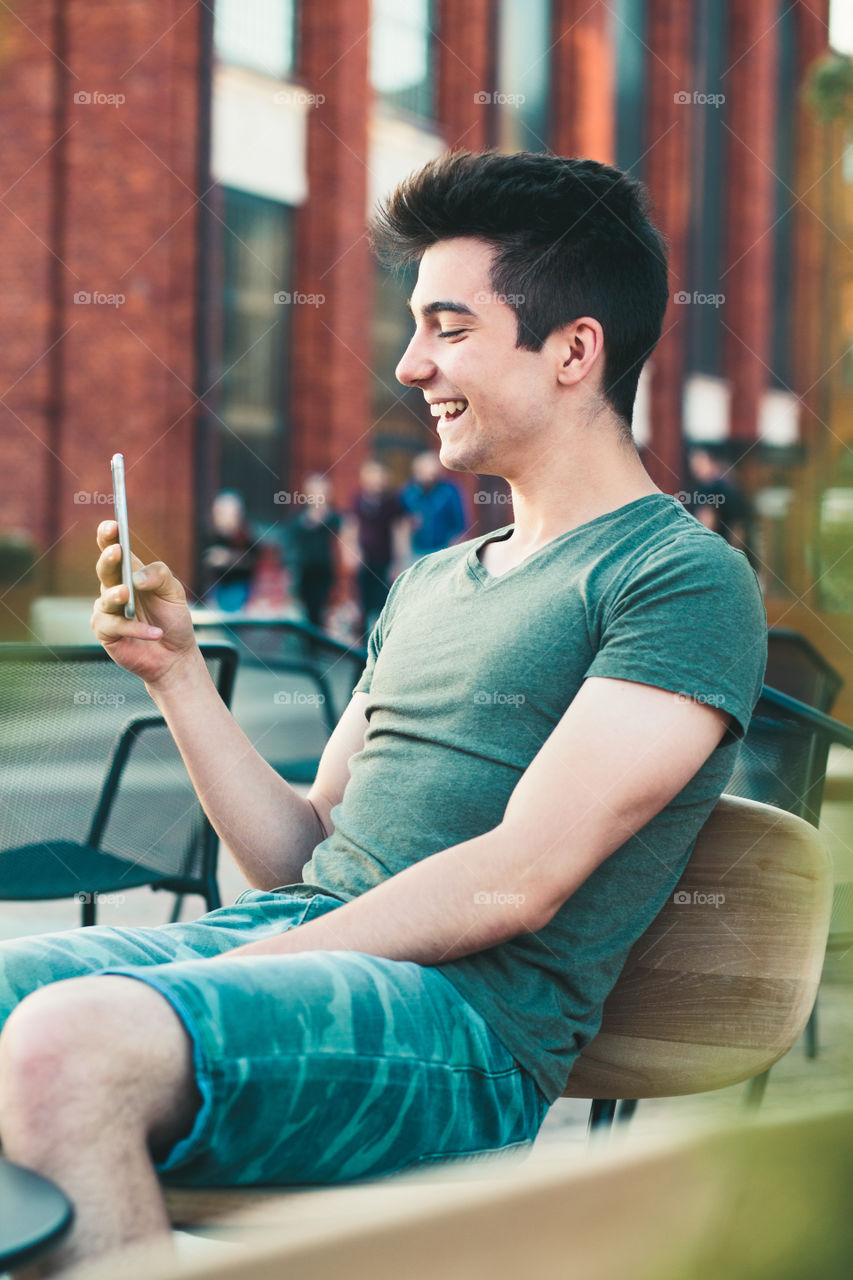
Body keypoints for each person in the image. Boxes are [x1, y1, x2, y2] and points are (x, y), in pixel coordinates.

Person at [0, 151, 767, 1275]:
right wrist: (178, 677)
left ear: (572, 349)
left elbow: (519, 873)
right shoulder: (433, 579)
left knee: (69, 1046)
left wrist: (243, 968)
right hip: (299, 955)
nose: (410, 365)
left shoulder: (678, 578)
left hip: (465, 1031)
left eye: (447, 327)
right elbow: (297, 857)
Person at [344, 459, 407, 639]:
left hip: (384, 559)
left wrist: (398, 561)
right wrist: (351, 550)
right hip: (363, 560)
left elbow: (399, 532)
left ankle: (378, 640)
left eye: (380, 476)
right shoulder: (357, 499)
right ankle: (362, 647)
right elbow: (351, 527)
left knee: (382, 603)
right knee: (362, 602)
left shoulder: (393, 502)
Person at [284, 473, 341, 629]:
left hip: (328, 576)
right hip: (304, 576)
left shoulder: (336, 519)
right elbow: (288, 547)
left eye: (321, 492)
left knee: (324, 617)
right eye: (313, 492)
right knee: (304, 617)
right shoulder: (297, 519)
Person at [400, 450, 468, 560]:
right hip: (415, 551)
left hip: (443, 549)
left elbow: (459, 523)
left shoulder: (449, 491)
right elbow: (401, 524)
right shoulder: (408, 492)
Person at [201, 490, 259, 613]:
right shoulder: (212, 534)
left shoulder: (247, 534)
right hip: (216, 587)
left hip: (239, 588)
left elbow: (252, 560)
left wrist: (228, 558)